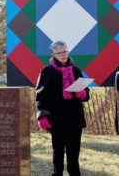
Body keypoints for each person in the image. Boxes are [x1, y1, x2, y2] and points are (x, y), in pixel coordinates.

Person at [35, 40, 90, 176]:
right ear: (53, 54)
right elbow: (41, 96)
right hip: (57, 120)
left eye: (65, 51)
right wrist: (42, 116)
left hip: (75, 120)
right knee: (58, 154)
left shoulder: (76, 70)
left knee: (74, 156)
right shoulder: (47, 71)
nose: (63, 55)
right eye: (60, 52)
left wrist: (83, 93)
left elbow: (87, 93)